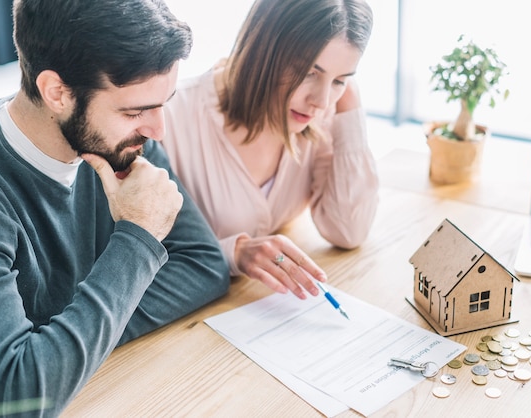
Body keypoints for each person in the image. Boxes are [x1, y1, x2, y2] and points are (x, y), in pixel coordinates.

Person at [0, 0, 230, 416]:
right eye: (135, 111)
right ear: (57, 93)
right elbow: (17, 396)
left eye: (161, 103)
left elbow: (204, 266)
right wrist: (139, 236)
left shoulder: (118, 140)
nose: (157, 130)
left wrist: (64, 344)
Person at [162, 0, 378, 301]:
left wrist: (350, 108)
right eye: (309, 72)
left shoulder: (321, 115)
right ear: (262, 48)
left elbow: (348, 230)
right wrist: (233, 253)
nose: (321, 100)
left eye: (340, 80)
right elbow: (135, 256)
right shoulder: (170, 118)